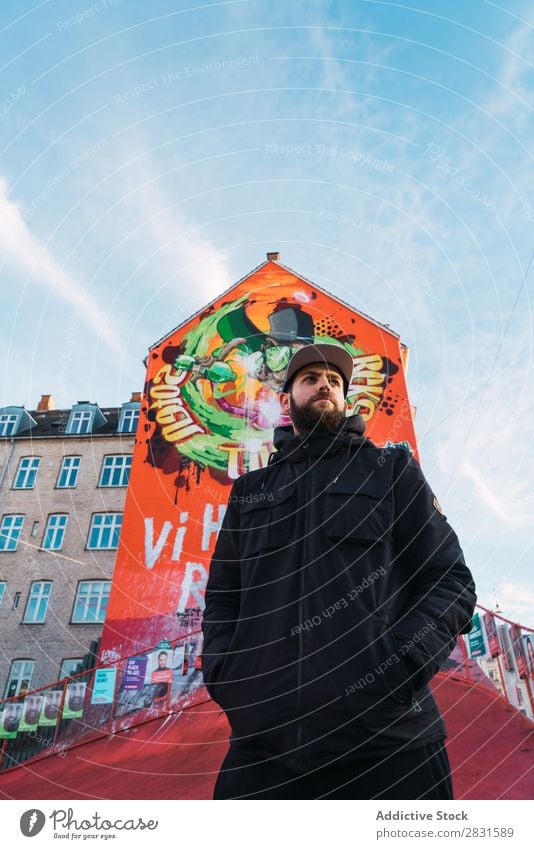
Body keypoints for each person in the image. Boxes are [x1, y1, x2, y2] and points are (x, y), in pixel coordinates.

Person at [202, 343, 477, 800]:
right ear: (287, 400)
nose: (324, 383)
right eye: (310, 378)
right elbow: (225, 596)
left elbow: (448, 578)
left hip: (388, 743)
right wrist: (228, 677)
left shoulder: (390, 470)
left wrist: (401, 665)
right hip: (263, 751)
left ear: (346, 398)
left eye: (334, 379)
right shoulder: (250, 491)